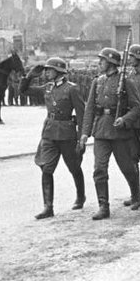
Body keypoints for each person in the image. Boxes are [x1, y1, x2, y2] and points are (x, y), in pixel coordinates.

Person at [79, 47, 140, 220]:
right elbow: (89, 109)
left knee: (127, 167)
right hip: (100, 131)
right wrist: (85, 133)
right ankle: (103, 206)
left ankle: (136, 195)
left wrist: (125, 119)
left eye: (102, 60)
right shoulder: (97, 82)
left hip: (119, 132)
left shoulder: (126, 81)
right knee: (99, 169)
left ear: (111, 62)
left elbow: (137, 107)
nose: (99, 63)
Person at [20, 57, 86, 219]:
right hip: (49, 132)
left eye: (49, 70)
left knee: (74, 166)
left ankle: (80, 196)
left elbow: (81, 114)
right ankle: (48, 207)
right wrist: (29, 76)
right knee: (46, 168)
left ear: (58, 72)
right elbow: (24, 91)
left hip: (66, 133)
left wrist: (81, 138)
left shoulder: (71, 89)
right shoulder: (47, 87)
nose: (47, 72)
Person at [123, 44, 140, 210]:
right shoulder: (129, 76)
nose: (130, 59)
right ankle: (136, 194)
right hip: (132, 123)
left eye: (132, 56)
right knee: (131, 158)